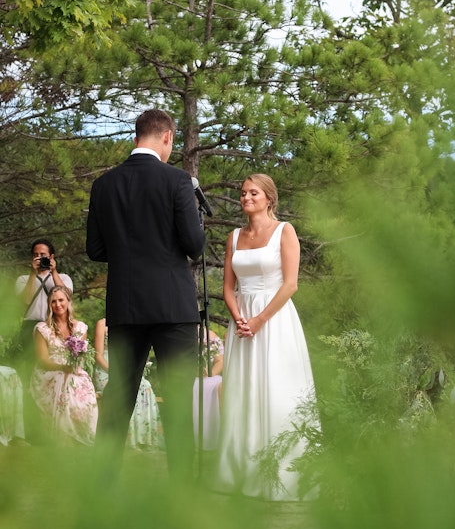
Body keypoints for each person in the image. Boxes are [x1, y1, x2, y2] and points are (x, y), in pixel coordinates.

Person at [86, 108, 206, 481]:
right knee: (179, 405)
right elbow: (194, 245)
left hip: (126, 306)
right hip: (173, 307)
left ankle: (101, 490)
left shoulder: (103, 185)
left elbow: (95, 249)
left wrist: (127, 253)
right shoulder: (178, 182)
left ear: (137, 136)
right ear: (167, 137)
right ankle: (184, 496)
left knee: (118, 403)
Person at [215, 174, 318, 501]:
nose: (245, 197)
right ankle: (240, 472)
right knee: (242, 391)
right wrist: (239, 318)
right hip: (242, 321)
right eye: (243, 193)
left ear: (269, 198)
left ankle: (284, 476)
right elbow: (227, 288)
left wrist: (259, 319)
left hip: (274, 320)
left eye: (253, 193)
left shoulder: (284, 231)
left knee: (277, 391)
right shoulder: (234, 237)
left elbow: (290, 284)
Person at [14, 239, 73, 440]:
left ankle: (55, 429)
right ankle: (30, 431)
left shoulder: (62, 276)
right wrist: (33, 273)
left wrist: (53, 272)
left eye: (44, 255)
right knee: (31, 377)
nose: (40, 258)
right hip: (30, 327)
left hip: (55, 327)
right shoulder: (23, 279)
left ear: (52, 257)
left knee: (55, 376)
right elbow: (24, 300)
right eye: (36, 255)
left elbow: (66, 297)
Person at [30, 286, 98, 445]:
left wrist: (73, 368)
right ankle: (64, 436)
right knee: (65, 381)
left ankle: (82, 431)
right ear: (49, 305)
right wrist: (63, 369)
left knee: (81, 382)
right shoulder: (42, 329)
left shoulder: (80, 328)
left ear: (68, 301)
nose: (57, 304)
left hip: (74, 369)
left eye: (61, 300)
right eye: (53, 301)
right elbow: (42, 360)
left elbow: (82, 356)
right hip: (48, 371)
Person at [93, 318, 164, 451]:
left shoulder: (132, 324)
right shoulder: (102, 324)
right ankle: (121, 439)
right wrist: (114, 371)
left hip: (125, 368)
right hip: (106, 369)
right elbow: (98, 356)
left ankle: (143, 438)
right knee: (120, 388)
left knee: (145, 387)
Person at [193, 329, 224, 451]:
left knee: (219, 386)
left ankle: (217, 437)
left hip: (211, 376)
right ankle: (195, 439)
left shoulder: (212, 336)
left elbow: (220, 361)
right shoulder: (181, 334)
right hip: (192, 377)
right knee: (194, 387)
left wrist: (209, 373)